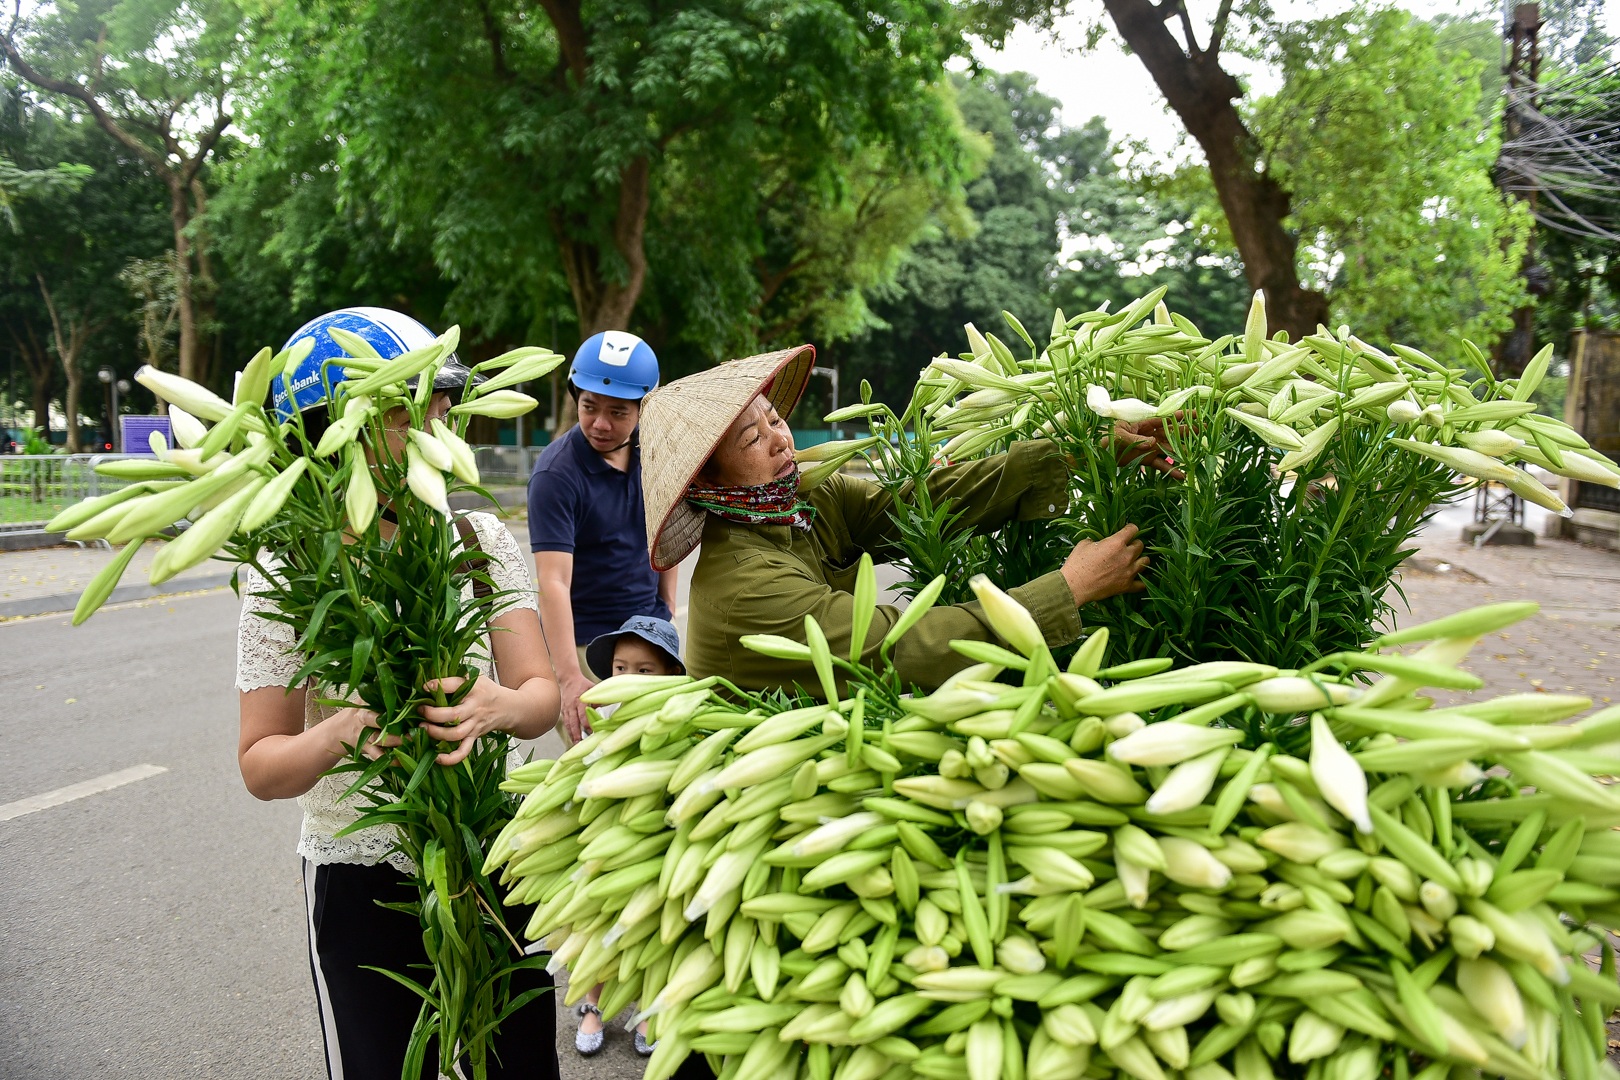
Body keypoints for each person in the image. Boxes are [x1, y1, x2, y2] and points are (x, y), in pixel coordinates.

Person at [236, 307, 562, 1080]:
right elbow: (259, 764)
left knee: (519, 1067)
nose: (441, 431)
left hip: (497, 855)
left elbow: (541, 696)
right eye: (410, 412)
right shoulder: (286, 573)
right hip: (362, 878)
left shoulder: (480, 542)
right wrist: (337, 734)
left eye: (443, 410)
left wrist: (496, 707)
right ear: (333, 431)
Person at [639, 346, 1176, 692]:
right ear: (707, 484)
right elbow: (901, 646)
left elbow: (920, 504)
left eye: (774, 417)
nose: (781, 438)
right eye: (753, 438)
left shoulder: (798, 502)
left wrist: (1080, 451)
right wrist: (1068, 588)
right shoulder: (743, 585)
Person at [528, 330, 676, 744]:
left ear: (643, 409)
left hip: (649, 633)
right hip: (586, 645)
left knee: (660, 759)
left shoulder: (656, 452)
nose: (600, 423)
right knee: (598, 767)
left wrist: (667, 605)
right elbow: (552, 581)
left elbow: (667, 530)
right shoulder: (557, 474)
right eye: (589, 406)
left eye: (619, 412)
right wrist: (569, 677)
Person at [570, 615, 685, 1059]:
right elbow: (584, 770)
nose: (628, 679)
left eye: (644, 670)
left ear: (672, 675)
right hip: (607, 837)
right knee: (601, 922)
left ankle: (648, 1006)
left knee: (654, 929)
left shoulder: (681, 715)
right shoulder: (605, 713)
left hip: (657, 841)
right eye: (620, 668)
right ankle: (593, 1005)